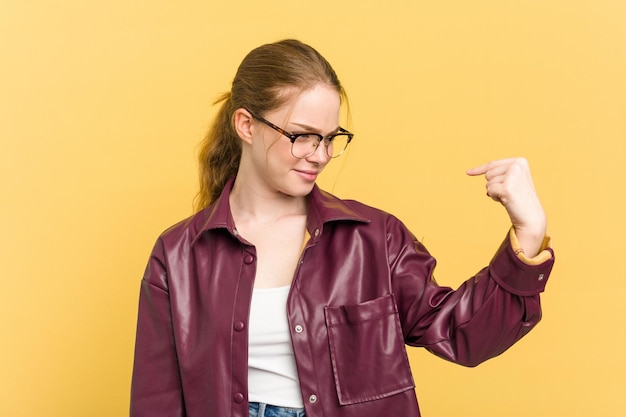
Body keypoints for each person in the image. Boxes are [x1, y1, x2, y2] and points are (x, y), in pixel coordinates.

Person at [130, 39, 555, 417]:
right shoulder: (178, 255)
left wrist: (528, 231)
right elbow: (156, 400)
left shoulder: (374, 237)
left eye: (331, 137)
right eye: (303, 136)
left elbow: (463, 335)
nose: (321, 155)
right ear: (246, 125)